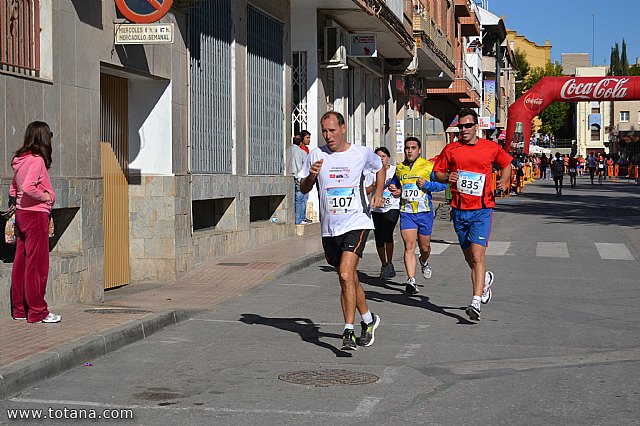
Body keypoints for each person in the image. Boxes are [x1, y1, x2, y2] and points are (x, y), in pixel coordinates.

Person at [298, 111, 385, 350]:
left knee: (346, 274)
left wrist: (378, 193)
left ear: (343, 128)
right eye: (324, 131)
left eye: (332, 130)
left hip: (357, 222)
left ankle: (348, 330)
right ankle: (368, 319)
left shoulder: (360, 153)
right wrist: (312, 175)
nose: (328, 136)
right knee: (348, 278)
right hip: (330, 229)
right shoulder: (316, 154)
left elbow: (380, 167)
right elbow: (304, 187)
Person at [433, 108, 512, 321]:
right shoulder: (451, 149)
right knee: (470, 258)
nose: (464, 129)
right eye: (461, 126)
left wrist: (504, 181)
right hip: (459, 210)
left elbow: (506, 164)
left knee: (478, 256)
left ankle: (476, 301)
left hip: (482, 209)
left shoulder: (490, 148)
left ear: (477, 126)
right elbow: (438, 172)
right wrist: (447, 177)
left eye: (468, 125)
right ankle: (484, 279)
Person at [9, 121, 61, 324]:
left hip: (22, 214)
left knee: (21, 263)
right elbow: (29, 186)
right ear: (43, 138)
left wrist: (19, 198)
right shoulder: (37, 160)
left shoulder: (19, 159)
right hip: (36, 215)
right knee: (37, 266)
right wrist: (46, 197)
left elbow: (14, 188)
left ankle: (20, 309)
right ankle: (38, 311)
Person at [388, 137, 447, 295]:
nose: (409, 150)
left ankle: (424, 260)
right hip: (407, 212)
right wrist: (393, 186)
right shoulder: (400, 168)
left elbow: (443, 183)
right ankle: (411, 280)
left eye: (413, 148)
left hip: (424, 212)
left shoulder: (428, 166)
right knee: (409, 246)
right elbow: (395, 183)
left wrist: (428, 185)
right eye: (407, 148)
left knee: (424, 247)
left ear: (419, 150)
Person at [365, 147, 400, 279]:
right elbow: (366, 191)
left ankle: (390, 262)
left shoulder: (395, 171)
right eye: (378, 156)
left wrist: (398, 190)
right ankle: (384, 264)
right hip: (376, 208)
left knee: (388, 232)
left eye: (384, 156)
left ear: (388, 157)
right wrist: (374, 185)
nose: (381, 159)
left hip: (392, 206)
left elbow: (404, 186)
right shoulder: (370, 172)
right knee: (379, 237)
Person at [290, 133, 309, 224]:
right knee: (301, 200)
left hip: (291, 176)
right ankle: (300, 219)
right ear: (301, 143)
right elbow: (306, 166)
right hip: (300, 178)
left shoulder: (288, 150)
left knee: (297, 199)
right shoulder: (302, 152)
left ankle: (298, 219)